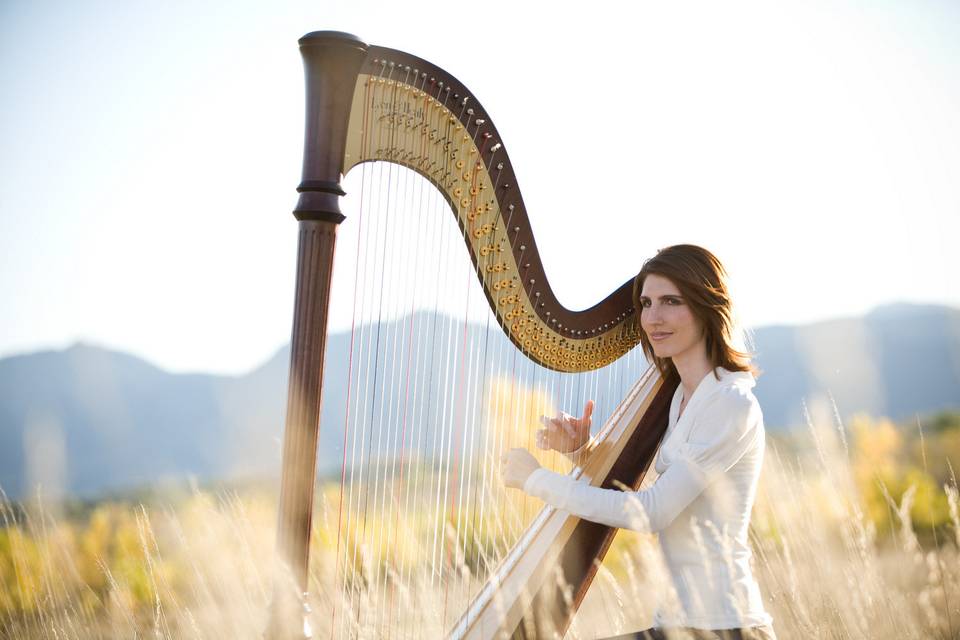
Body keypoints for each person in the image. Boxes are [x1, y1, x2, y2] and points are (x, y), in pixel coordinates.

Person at [501, 245, 776, 640]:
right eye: (646, 303)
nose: (652, 318)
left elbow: (653, 511)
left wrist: (536, 480)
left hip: (726, 628)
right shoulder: (681, 397)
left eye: (670, 302)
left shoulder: (730, 403)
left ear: (707, 307)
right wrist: (581, 451)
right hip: (679, 626)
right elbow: (664, 492)